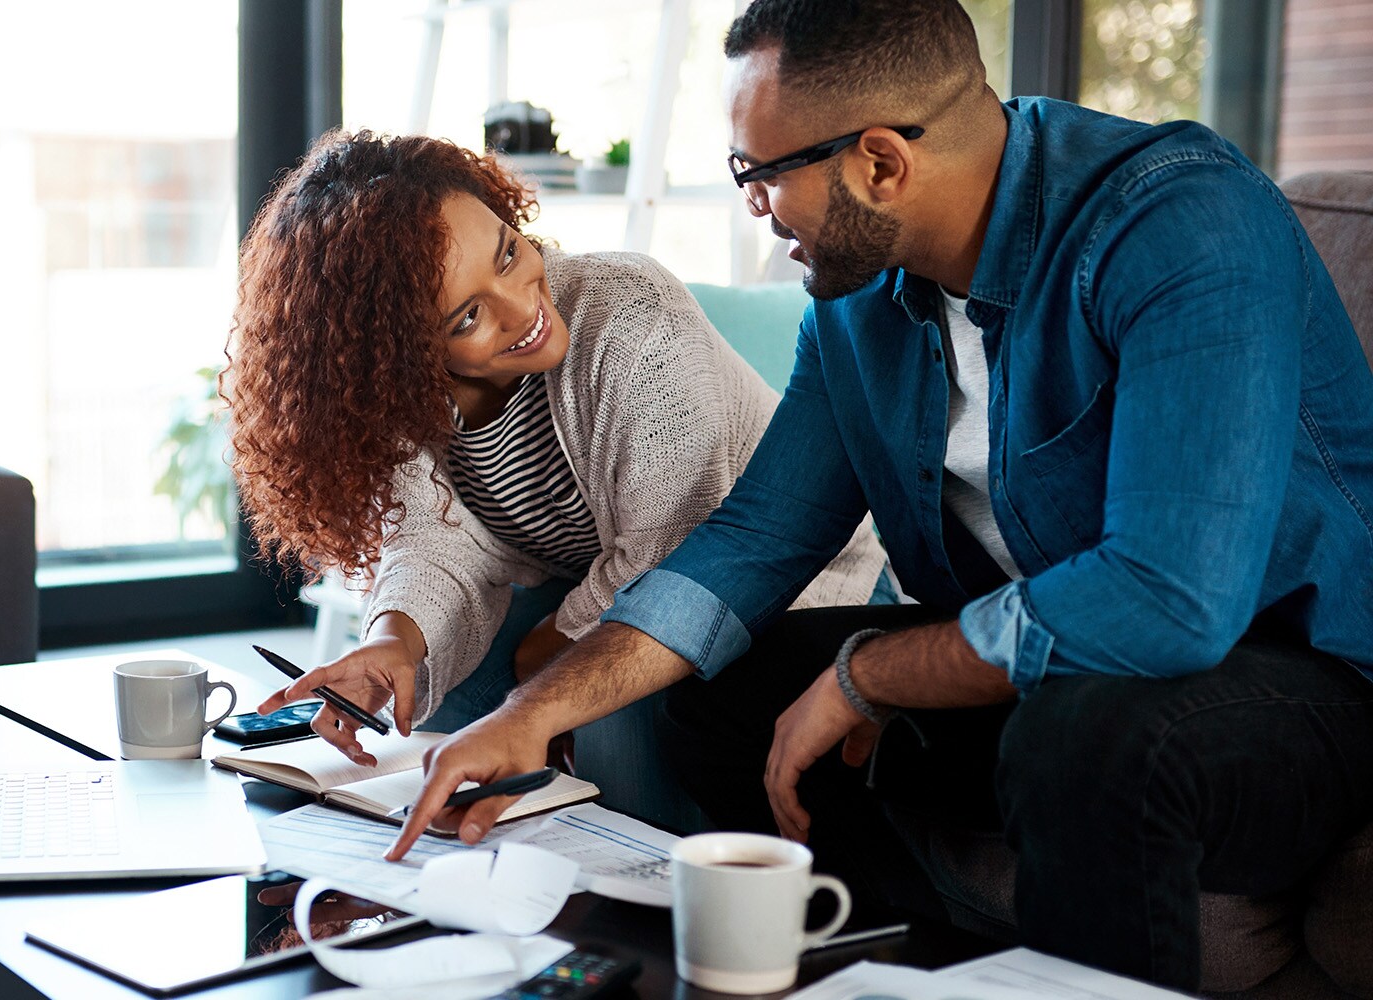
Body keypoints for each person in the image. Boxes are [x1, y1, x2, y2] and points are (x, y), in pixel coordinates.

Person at [343, 0, 1373, 988]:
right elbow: (753, 541)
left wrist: (872, 672)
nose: (749, 203)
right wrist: (533, 711)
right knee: (718, 684)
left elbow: (1168, 601)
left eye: (758, 172)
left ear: (880, 161)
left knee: (1086, 735)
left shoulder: (1180, 224)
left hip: (1289, 685)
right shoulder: (858, 305)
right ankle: (867, 967)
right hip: (1047, 678)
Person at [224, 130, 888, 771]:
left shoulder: (632, 316)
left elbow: (672, 560)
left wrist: (538, 672)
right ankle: (499, 838)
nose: (519, 308)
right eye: (467, 318)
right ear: (404, 361)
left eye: (508, 254)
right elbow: (437, 543)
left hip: (793, 583)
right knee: (438, 685)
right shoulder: (412, 403)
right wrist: (390, 645)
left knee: (617, 716)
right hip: (606, 582)